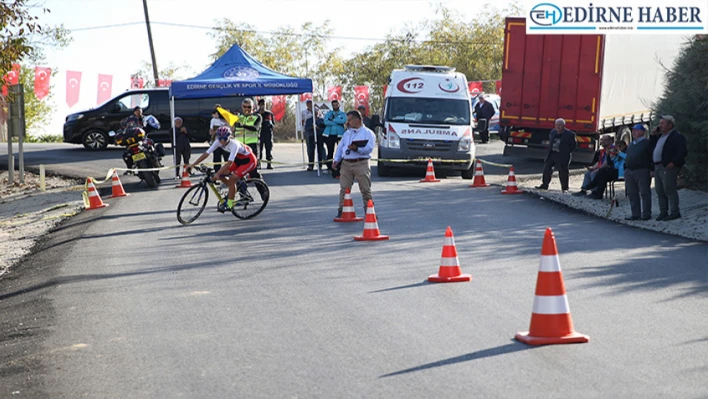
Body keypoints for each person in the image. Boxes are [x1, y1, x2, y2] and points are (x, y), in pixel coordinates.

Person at [187, 126, 258, 213]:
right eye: (220, 138)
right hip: (238, 159)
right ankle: (233, 190)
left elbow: (229, 163)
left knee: (231, 179)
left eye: (224, 138)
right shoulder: (218, 142)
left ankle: (230, 204)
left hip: (249, 161)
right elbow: (206, 153)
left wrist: (217, 173)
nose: (222, 141)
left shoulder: (234, 144)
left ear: (229, 137)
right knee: (222, 175)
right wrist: (193, 165)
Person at [332, 110, 377, 218]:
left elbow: (369, 149)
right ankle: (341, 210)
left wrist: (357, 149)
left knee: (365, 189)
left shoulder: (368, 133)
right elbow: (340, 147)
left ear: (357, 120)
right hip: (347, 164)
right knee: (344, 188)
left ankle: (369, 211)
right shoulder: (347, 133)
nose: (348, 123)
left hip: (361, 163)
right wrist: (336, 159)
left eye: (350, 120)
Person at [650, 115, 688, 221]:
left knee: (669, 189)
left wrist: (674, 163)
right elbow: (651, 148)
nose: (660, 126)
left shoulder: (676, 136)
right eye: (660, 123)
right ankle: (663, 212)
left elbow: (682, 151)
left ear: (670, 125)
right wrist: (653, 136)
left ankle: (674, 212)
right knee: (659, 190)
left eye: (662, 123)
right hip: (657, 166)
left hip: (667, 166)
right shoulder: (660, 136)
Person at [536, 118, 577, 192]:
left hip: (562, 155)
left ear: (564, 126)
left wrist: (566, 152)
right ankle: (544, 185)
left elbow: (573, 145)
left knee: (563, 172)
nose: (558, 127)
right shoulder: (553, 132)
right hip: (552, 154)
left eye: (560, 125)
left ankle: (564, 188)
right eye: (556, 125)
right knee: (547, 169)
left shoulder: (570, 134)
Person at [623, 124, 653, 220]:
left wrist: (651, 169)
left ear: (642, 132)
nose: (634, 132)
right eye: (633, 130)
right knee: (632, 193)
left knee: (645, 193)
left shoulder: (647, 143)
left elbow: (651, 157)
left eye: (637, 130)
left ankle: (646, 214)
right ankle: (635, 214)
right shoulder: (631, 144)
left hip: (642, 170)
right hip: (630, 171)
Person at [233, 99, 262, 178]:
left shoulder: (257, 116)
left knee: (253, 172)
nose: (247, 109)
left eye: (249, 107)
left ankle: (263, 190)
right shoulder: (238, 117)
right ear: (242, 107)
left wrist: (242, 125)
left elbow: (255, 128)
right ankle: (242, 189)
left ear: (253, 107)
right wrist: (218, 109)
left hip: (252, 146)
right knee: (237, 172)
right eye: (245, 107)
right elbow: (224, 116)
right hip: (239, 147)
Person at [323, 100, 347, 171]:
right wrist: (336, 122)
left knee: (341, 150)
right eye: (334, 105)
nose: (335, 106)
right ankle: (329, 167)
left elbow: (343, 121)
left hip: (339, 135)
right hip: (330, 135)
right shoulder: (329, 113)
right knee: (330, 151)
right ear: (332, 106)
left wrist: (333, 120)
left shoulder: (342, 114)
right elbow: (326, 122)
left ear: (339, 105)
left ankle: (340, 166)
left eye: (337, 105)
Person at [304, 102, 325, 171]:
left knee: (320, 150)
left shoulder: (322, 120)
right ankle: (311, 165)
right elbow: (306, 128)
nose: (316, 113)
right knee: (310, 151)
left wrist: (318, 128)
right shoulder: (309, 120)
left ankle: (320, 165)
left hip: (319, 136)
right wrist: (312, 127)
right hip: (311, 136)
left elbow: (323, 129)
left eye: (317, 112)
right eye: (314, 112)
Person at [209, 107, 228, 173]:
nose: (217, 115)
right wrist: (217, 129)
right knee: (217, 158)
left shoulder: (223, 120)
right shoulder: (213, 120)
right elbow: (211, 132)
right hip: (217, 141)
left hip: (225, 143)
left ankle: (227, 170)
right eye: (216, 114)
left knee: (227, 157)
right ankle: (217, 171)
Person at [257, 98, 275, 169]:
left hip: (268, 134)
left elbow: (273, 123)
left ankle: (269, 163)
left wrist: (271, 126)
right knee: (259, 150)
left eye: (263, 104)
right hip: (260, 134)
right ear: (259, 105)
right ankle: (259, 164)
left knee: (269, 149)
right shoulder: (256, 114)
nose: (262, 106)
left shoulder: (269, 113)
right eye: (261, 104)